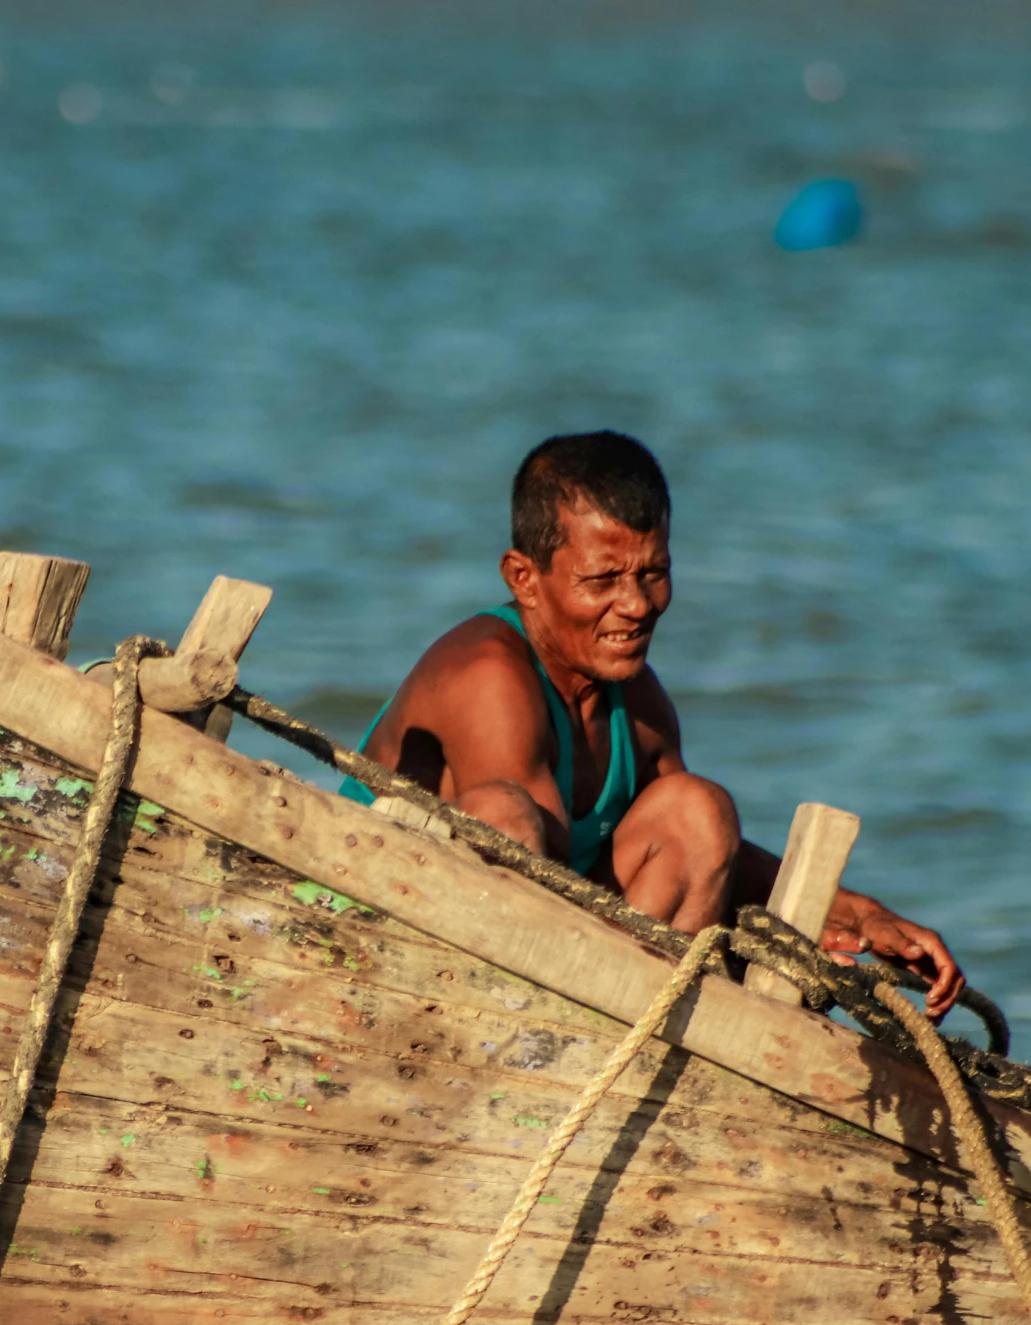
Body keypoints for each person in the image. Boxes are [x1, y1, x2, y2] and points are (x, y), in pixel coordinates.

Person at [342, 430, 964, 1014]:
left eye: (653, 573)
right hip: (386, 956)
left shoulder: (637, 703)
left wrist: (857, 915)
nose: (637, 605)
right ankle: (593, 1026)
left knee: (699, 809)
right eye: (603, 580)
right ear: (524, 579)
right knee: (504, 815)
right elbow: (526, 867)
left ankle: (633, 1030)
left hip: (571, 966)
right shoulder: (486, 674)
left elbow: (708, 857)